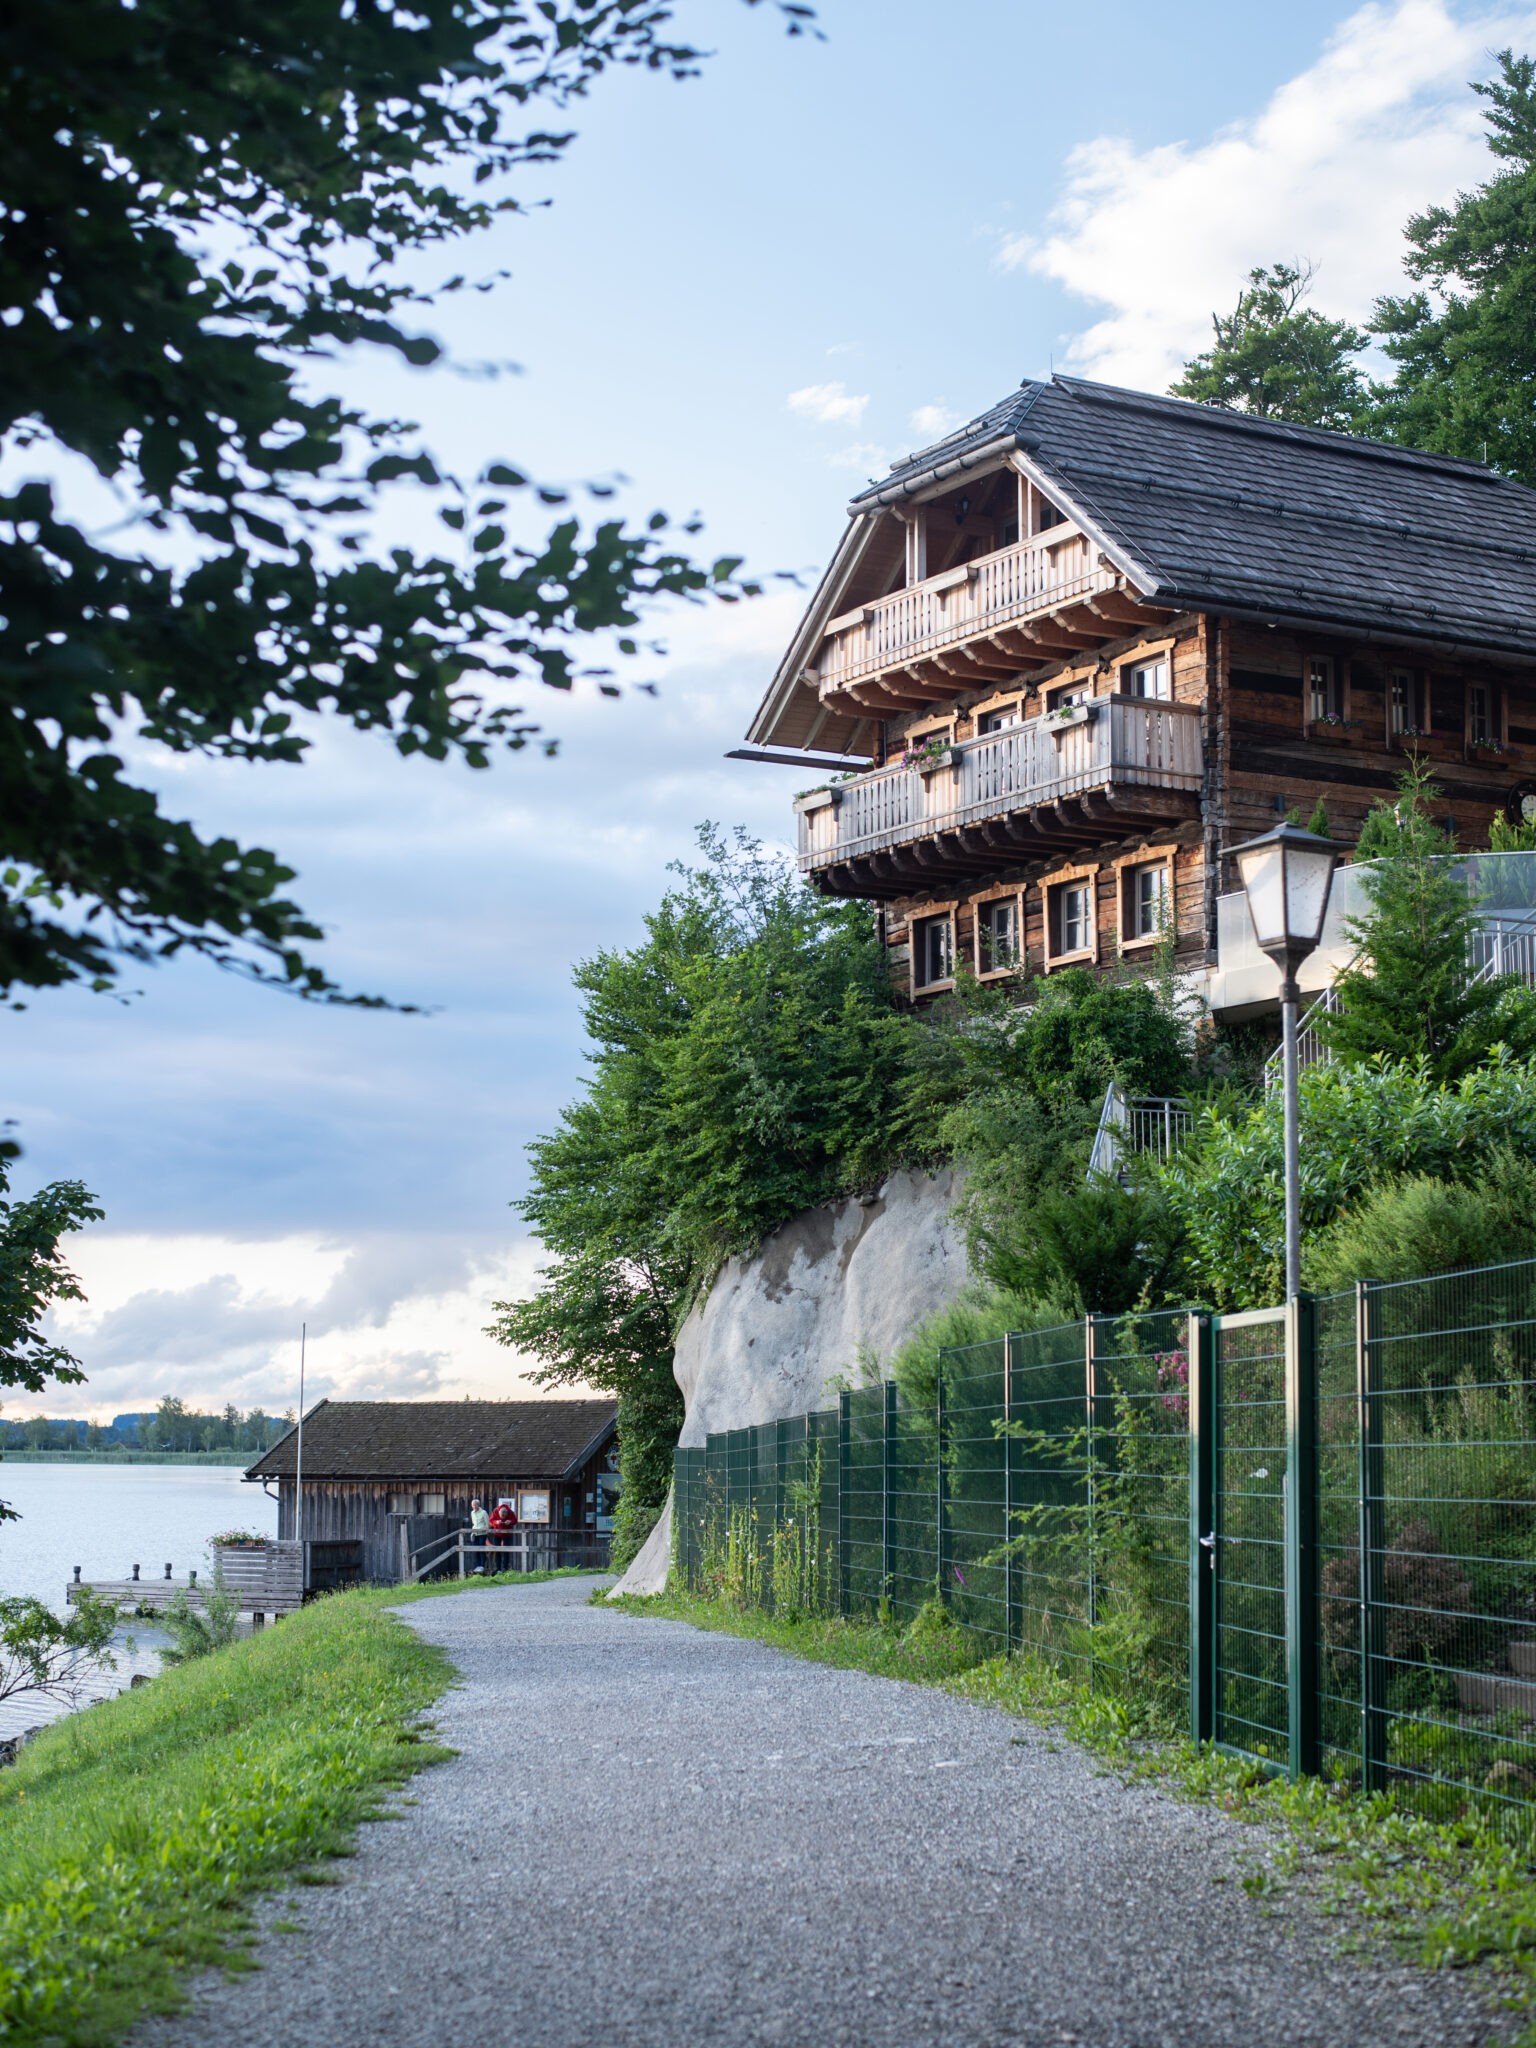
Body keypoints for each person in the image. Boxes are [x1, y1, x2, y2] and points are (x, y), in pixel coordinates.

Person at [488, 1497, 517, 1573]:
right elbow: (491, 1520)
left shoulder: (510, 1512)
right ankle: (498, 1567)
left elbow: (515, 1520)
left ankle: (505, 1568)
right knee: (497, 1550)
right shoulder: (495, 1511)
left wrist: (510, 1521)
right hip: (497, 1533)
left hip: (506, 1533)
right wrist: (496, 1522)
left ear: (507, 1514)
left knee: (506, 1550)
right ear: (499, 1513)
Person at [469, 1498, 490, 1573]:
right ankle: (478, 1565)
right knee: (476, 1549)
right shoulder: (472, 1513)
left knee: (481, 1549)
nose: (474, 1506)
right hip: (475, 1532)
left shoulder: (483, 1512)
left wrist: (485, 1530)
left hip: (482, 1533)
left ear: (478, 1505)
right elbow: (473, 1523)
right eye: (472, 1505)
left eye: (475, 1505)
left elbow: (487, 1523)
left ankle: (482, 1565)